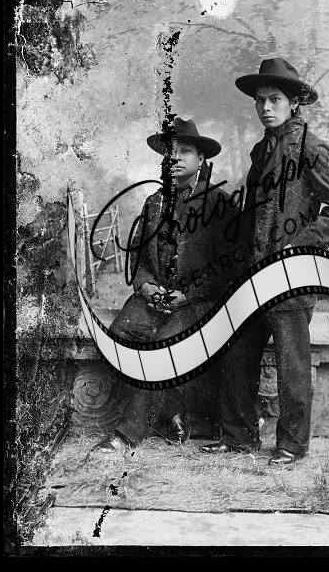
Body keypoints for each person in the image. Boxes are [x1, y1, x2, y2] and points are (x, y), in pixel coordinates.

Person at [199, 57, 329, 465]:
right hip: (254, 274)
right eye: (260, 100)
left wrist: (299, 244)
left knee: (292, 362)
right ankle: (238, 436)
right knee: (237, 351)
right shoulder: (260, 150)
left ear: (294, 103)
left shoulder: (311, 149)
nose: (266, 107)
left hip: (291, 275)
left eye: (275, 100)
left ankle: (292, 444)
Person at [96, 117, 236, 452]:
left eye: (184, 151)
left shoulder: (219, 203)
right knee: (118, 337)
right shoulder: (154, 202)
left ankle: (126, 435)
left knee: (165, 348)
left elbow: (229, 266)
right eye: (170, 152)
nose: (175, 158)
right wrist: (146, 287)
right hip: (155, 298)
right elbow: (140, 259)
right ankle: (172, 410)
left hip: (199, 302)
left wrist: (188, 294)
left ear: (200, 159)